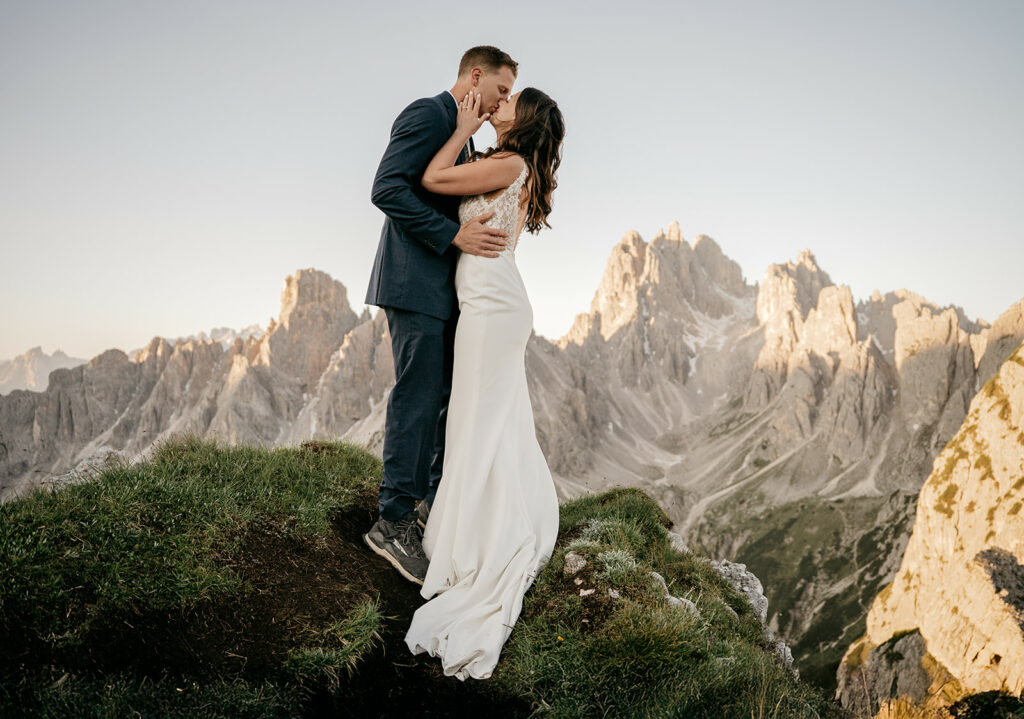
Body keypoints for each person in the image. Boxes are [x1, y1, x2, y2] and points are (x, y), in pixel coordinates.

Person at [403, 86, 566, 680]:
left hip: (493, 306)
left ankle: (479, 538)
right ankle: (477, 524)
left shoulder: (510, 162)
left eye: (511, 100)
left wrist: (459, 129)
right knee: (482, 417)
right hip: (487, 301)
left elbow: (432, 178)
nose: (501, 103)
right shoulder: (509, 163)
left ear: (526, 119)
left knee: (478, 418)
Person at [363, 46, 517, 585]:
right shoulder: (428, 114)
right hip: (413, 283)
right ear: (476, 75)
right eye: (500, 89)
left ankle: (428, 506)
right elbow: (386, 188)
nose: (502, 102)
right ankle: (393, 520)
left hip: (446, 290)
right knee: (419, 395)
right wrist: (453, 234)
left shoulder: (466, 134)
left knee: (445, 397)